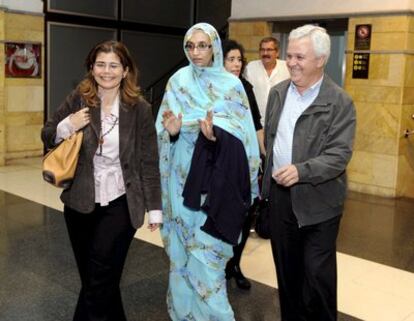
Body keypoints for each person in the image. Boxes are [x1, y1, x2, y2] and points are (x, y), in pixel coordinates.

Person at [41, 40, 162, 321]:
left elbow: (149, 161)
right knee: (97, 279)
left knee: (98, 278)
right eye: (100, 64)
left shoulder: (140, 108)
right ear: (91, 68)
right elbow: (47, 134)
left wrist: (154, 208)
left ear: (125, 70)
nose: (106, 71)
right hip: (80, 202)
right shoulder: (80, 98)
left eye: (113, 65)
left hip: (122, 200)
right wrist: (68, 125)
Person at [156, 23, 260, 321]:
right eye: (190, 46)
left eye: (202, 45)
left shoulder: (231, 85)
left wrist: (215, 137)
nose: (196, 52)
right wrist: (173, 132)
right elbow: (162, 131)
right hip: (181, 180)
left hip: (215, 181)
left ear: (215, 46)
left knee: (208, 259)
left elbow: (245, 138)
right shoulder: (177, 81)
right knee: (183, 257)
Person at [261, 25, 356, 321]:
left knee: (317, 279)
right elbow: (272, 138)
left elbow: (339, 155)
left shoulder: (340, 102)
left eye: (299, 57)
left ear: (321, 59)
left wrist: (302, 171)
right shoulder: (277, 93)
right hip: (280, 200)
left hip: (320, 204)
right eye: (289, 55)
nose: (290, 62)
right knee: (287, 276)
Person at [221, 39, 262, 290]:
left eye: (239, 60)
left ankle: (234, 263)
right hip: (220, 163)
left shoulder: (246, 87)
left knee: (245, 215)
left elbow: (256, 124)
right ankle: (218, 264)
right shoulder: (212, 87)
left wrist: (264, 158)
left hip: (246, 162)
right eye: (231, 59)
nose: (236, 64)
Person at [244, 36, 290, 155]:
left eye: (269, 50)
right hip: (256, 127)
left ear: (277, 52)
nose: (265, 53)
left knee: (277, 160)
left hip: (280, 127)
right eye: (262, 50)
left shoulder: (287, 68)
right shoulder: (250, 68)